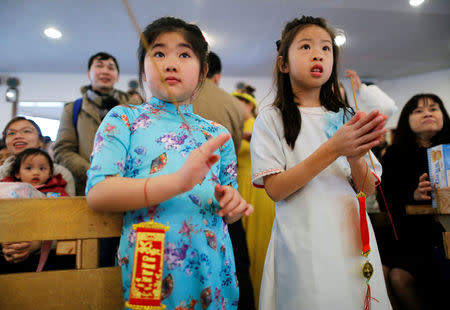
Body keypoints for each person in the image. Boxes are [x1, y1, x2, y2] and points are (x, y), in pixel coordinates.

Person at [85, 17, 253, 309]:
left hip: (213, 265)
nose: (171, 63)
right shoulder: (124, 119)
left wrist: (233, 202)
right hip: (150, 258)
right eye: (159, 53)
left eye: (185, 54)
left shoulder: (217, 133)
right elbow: (99, 193)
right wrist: (178, 182)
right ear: (143, 68)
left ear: (203, 72)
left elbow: (230, 210)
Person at [250, 16, 391, 309]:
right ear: (283, 64)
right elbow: (276, 189)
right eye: (305, 47)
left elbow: (368, 188)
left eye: (326, 49)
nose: (318, 54)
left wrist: (353, 157)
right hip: (303, 234)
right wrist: (334, 148)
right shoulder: (271, 119)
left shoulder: (346, 116)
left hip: (349, 233)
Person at [377, 93, 450, 310]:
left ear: (443, 115)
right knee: (380, 272)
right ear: (406, 120)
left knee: (400, 277)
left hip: (442, 236)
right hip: (408, 235)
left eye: (433, 108)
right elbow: (385, 201)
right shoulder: (393, 155)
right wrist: (414, 195)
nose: (427, 113)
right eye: (418, 110)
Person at [194, 52, 255, 309]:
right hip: (226, 190)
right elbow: (236, 138)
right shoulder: (230, 102)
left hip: (184, 201)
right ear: (216, 75)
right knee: (236, 261)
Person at [0, 117, 75, 273]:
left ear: (41, 141)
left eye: (26, 131)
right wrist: (6, 245)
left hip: (48, 253)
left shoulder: (60, 174)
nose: (18, 136)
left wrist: (36, 243)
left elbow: (69, 220)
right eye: (11, 133)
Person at [53, 52, 132, 196]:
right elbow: (62, 151)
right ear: (89, 73)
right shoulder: (72, 109)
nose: (105, 71)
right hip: (87, 189)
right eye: (99, 66)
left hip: (130, 187)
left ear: (117, 76)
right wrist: (94, 172)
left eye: (111, 67)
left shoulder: (135, 106)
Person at [232, 90, 275, 307]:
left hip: (257, 189)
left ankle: (260, 297)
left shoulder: (259, 124)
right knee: (239, 242)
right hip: (238, 184)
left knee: (258, 242)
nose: (237, 106)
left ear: (250, 105)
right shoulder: (232, 125)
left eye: (241, 102)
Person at [192, 51, 244, 153]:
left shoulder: (178, 97)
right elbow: (235, 146)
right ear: (217, 77)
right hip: (219, 164)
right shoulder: (234, 103)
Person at [2, 148, 69, 197]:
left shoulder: (58, 191)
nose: (36, 173)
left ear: (50, 173)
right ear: (17, 173)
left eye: (42, 168)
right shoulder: (9, 188)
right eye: (29, 168)